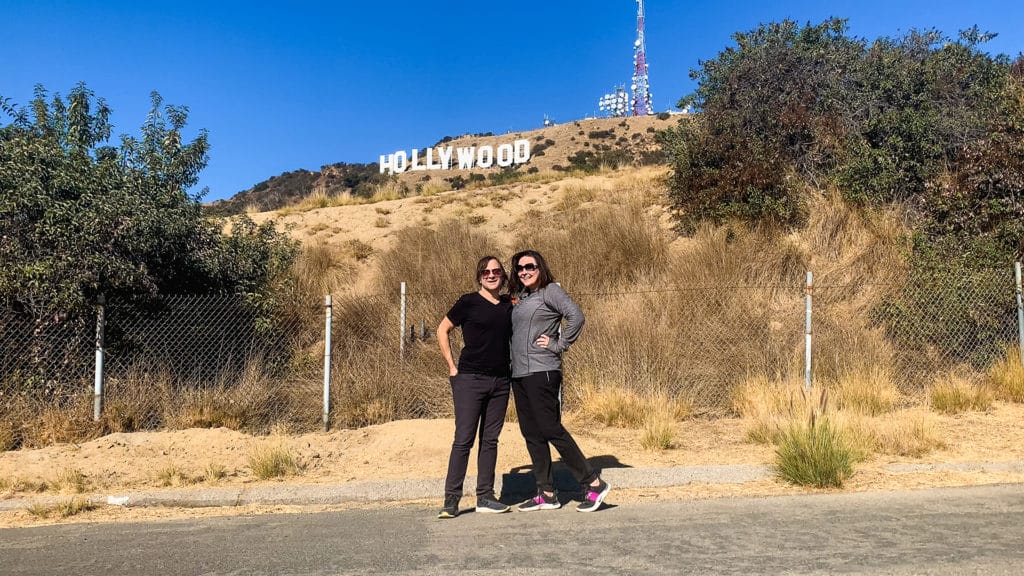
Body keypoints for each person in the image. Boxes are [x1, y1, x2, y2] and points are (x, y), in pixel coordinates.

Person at [507, 250, 610, 513]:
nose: (524, 271)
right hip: (519, 374)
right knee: (531, 432)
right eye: (519, 268)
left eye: (530, 266)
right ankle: (547, 492)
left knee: (551, 429)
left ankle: (593, 483)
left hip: (543, 372)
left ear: (540, 267)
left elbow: (576, 316)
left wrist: (558, 344)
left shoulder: (550, 291)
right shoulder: (525, 296)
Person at [436, 256, 514, 518]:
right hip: (470, 379)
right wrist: (452, 366)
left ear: (503, 276)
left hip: (501, 381)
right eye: (486, 272)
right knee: (464, 439)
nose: (491, 275)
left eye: (496, 271)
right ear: (479, 276)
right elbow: (442, 329)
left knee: (490, 440)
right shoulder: (467, 302)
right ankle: (451, 499)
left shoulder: (508, 304)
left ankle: (485, 496)